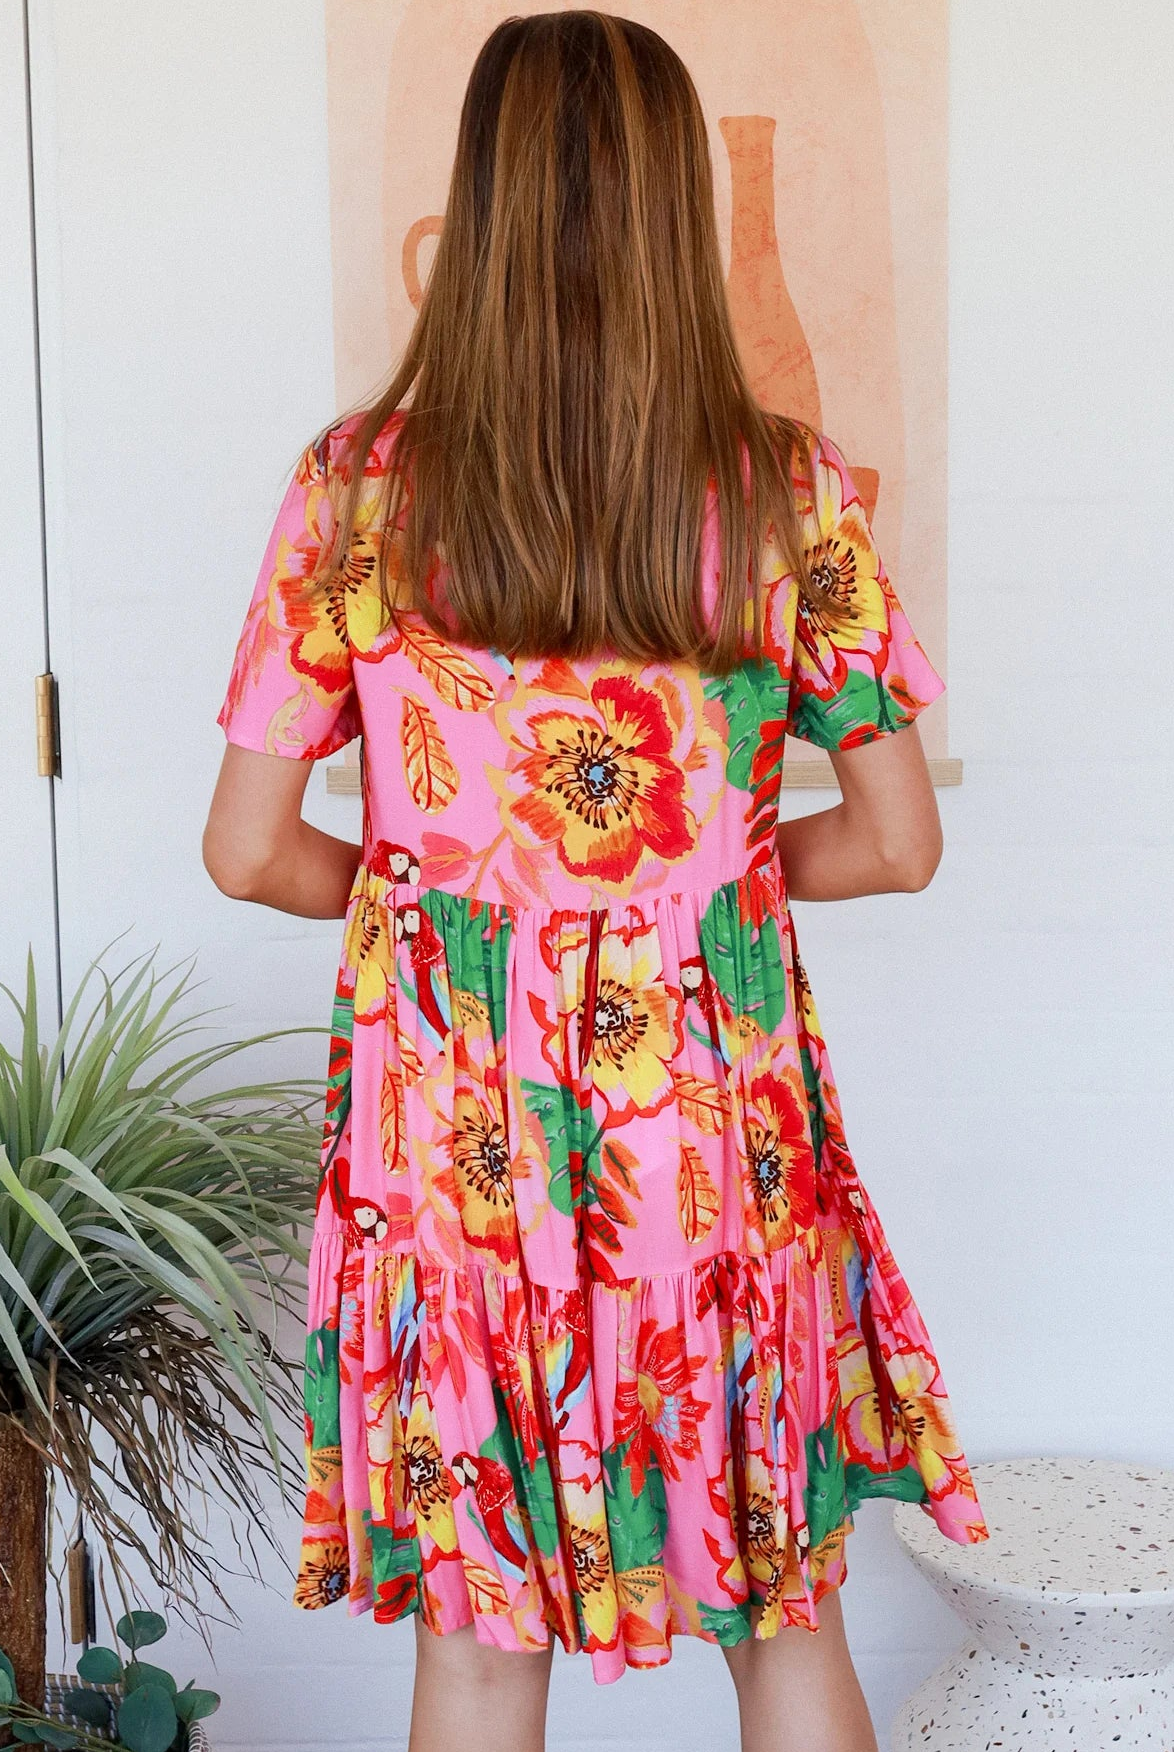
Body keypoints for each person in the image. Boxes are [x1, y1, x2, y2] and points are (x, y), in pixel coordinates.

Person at [203, 11, 988, 1751]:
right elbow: (896, 841)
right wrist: (690, 892)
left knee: (480, 1649)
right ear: (671, 206)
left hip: (456, 1148)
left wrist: (441, 907)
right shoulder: (783, 491)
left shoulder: (356, 493)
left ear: (478, 204)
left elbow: (249, 846)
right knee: (780, 1619)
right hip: (707, 1142)